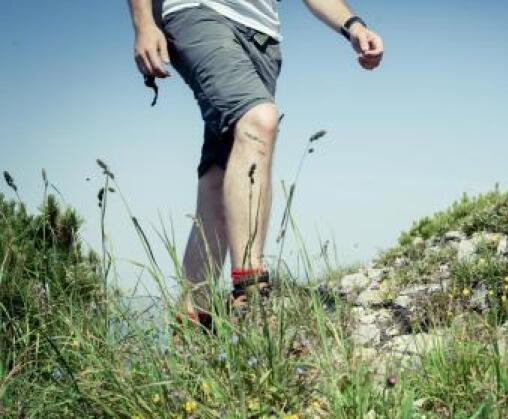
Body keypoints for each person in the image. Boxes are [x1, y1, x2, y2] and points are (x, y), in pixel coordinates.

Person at [126, 0, 384, 324]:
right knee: (258, 119)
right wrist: (144, 23)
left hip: (263, 38)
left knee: (220, 175)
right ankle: (250, 294)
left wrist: (353, 26)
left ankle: (192, 321)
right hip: (197, 11)